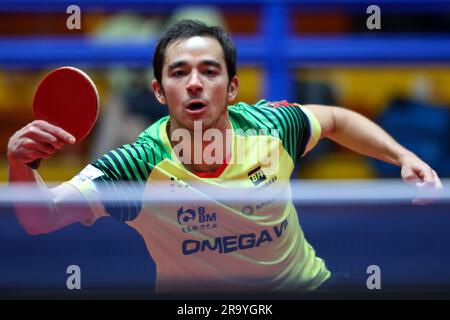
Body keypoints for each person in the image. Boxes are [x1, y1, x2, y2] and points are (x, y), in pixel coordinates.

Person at [7, 20, 443, 294]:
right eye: (179, 73)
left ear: (232, 88)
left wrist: (401, 155)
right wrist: (21, 165)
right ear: (159, 92)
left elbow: (333, 119)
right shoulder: (137, 165)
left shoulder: (272, 129)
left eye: (209, 71)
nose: (195, 83)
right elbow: (40, 218)